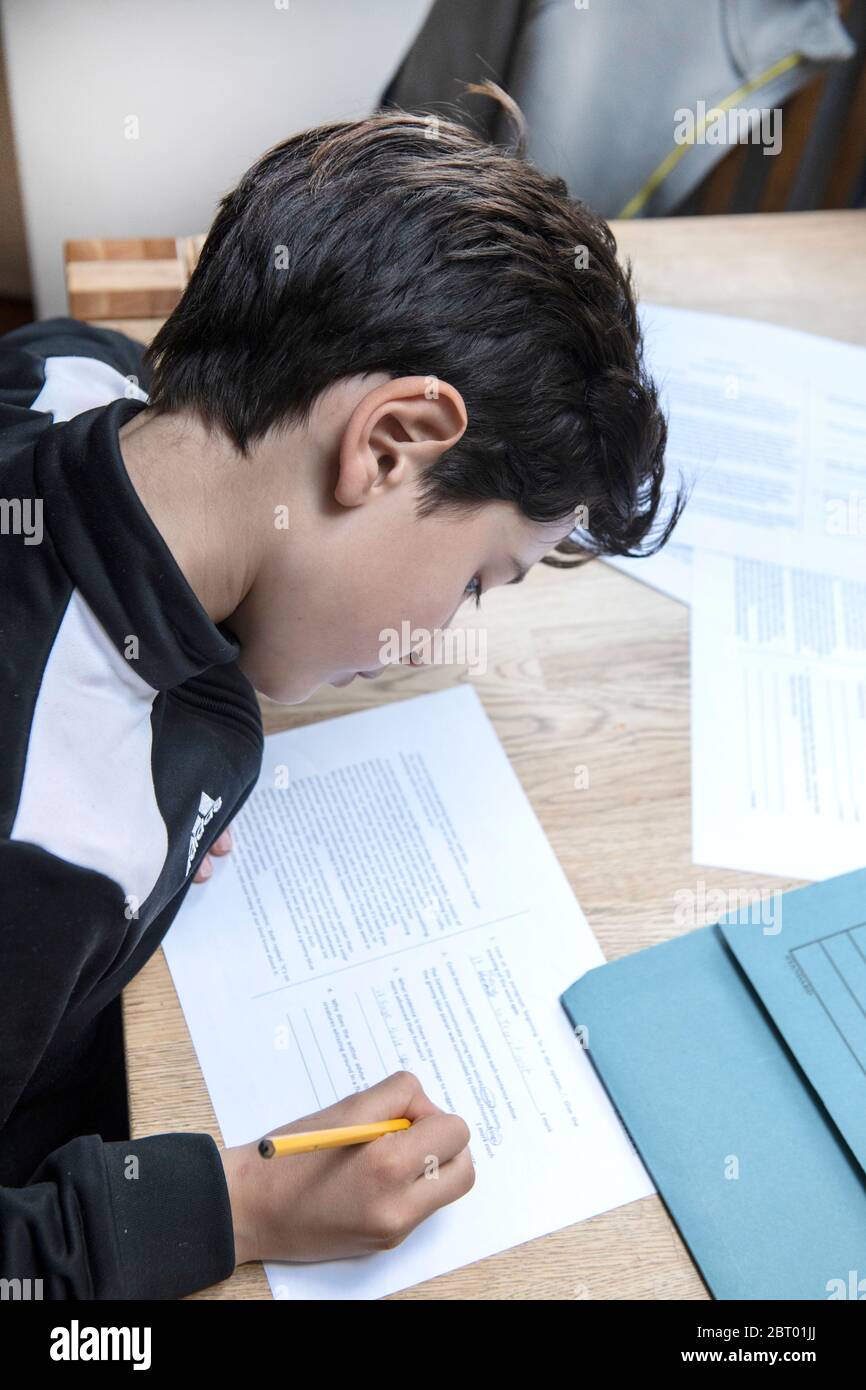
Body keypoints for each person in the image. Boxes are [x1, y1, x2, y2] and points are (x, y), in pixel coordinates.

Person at [0, 85, 679, 1298]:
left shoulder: (73, 380)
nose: (433, 637)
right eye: (476, 580)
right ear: (389, 440)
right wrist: (230, 1206)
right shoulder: (50, 836)